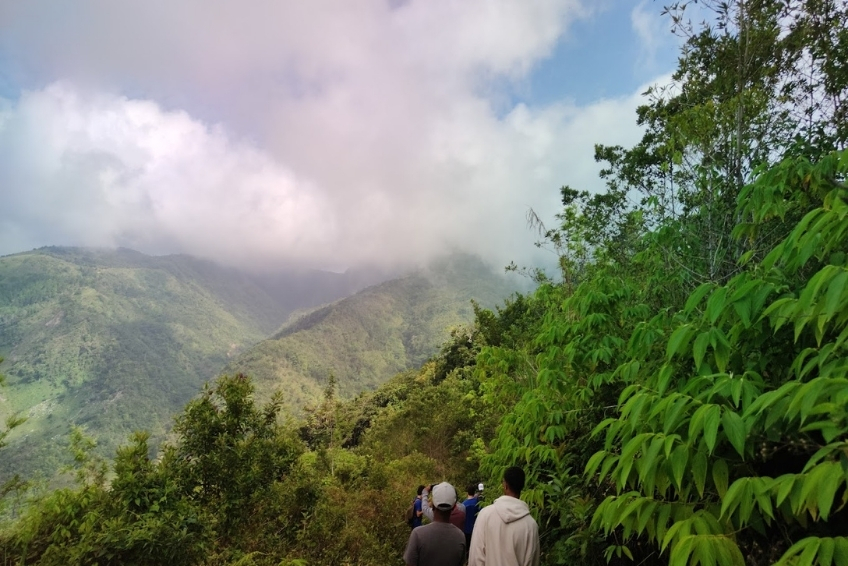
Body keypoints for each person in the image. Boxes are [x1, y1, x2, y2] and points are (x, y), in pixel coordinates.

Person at [468, 466, 539, 566]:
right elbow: (532, 561)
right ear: (521, 487)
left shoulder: (485, 515)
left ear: (505, 485)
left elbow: (476, 557)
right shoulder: (531, 525)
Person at [403, 482, 466, 566]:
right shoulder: (460, 536)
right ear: (454, 506)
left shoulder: (418, 534)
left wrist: (425, 492)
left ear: (432, 504)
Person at [462, 482, 481, 550]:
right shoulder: (478, 502)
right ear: (474, 492)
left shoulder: (463, 504)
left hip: (466, 530)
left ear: (467, 492)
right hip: (476, 528)